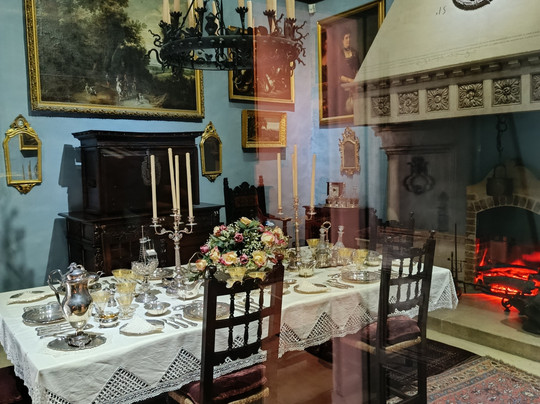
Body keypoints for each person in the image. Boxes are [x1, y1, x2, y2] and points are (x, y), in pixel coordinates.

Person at [334, 30, 361, 116]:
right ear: (342, 40)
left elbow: (358, 69)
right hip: (344, 87)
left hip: (355, 85)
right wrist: (350, 81)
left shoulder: (355, 53)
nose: (348, 40)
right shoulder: (339, 55)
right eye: (346, 38)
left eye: (349, 37)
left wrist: (356, 80)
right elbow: (338, 75)